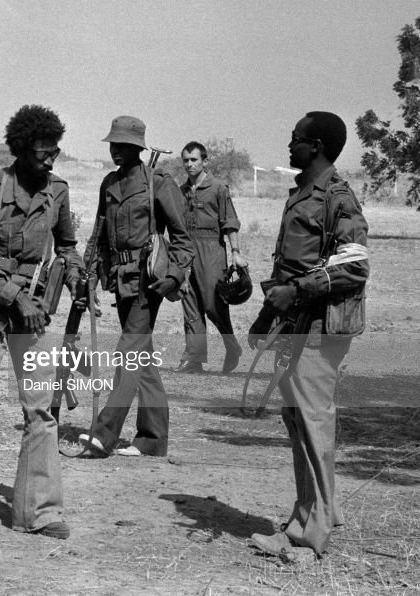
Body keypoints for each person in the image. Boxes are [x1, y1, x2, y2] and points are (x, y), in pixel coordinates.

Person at [0, 105, 83, 539]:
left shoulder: (58, 191)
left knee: (41, 410)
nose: (50, 160)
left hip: (34, 311)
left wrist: (76, 272)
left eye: (55, 152)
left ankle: (39, 512)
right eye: (43, 153)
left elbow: (67, 245)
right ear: (21, 150)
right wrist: (12, 295)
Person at [248, 112, 369, 560]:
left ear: (315, 145)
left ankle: (311, 537)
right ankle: (310, 515)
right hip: (295, 327)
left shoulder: (338, 198)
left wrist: (296, 290)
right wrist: (265, 318)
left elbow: (355, 266)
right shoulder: (302, 194)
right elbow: (289, 269)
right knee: (299, 423)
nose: (289, 145)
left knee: (314, 424)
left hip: (321, 331)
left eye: (295, 138)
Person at [78, 116, 193, 458]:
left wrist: (176, 274)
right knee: (140, 356)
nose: (116, 150)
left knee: (128, 351)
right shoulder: (109, 184)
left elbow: (183, 238)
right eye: (113, 144)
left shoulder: (158, 182)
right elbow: (99, 237)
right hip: (120, 277)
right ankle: (152, 438)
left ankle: (104, 433)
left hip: (149, 279)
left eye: (124, 145)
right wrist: (93, 277)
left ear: (138, 148)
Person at [176, 141, 249, 374]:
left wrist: (236, 253)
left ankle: (232, 346)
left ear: (204, 161)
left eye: (194, 159)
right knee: (189, 301)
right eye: (186, 160)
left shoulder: (218, 188)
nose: (189, 164)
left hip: (212, 249)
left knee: (211, 303)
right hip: (187, 249)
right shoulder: (181, 191)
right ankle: (194, 358)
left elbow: (230, 222)